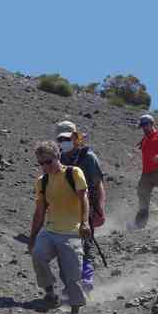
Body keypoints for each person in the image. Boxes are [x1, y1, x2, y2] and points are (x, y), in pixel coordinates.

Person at [28, 141, 90, 314]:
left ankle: (75, 308)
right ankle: (50, 294)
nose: (45, 166)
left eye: (48, 161)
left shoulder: (73, 173)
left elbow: (84, 199)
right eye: (41, 163)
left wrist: (84, 222)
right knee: (38, 255)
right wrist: (32, 238)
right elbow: (39, 212)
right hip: (50, 230)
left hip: (71, 231)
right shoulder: (42, 181)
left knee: (71, 272)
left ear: (58, 156)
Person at [55, 120, 105, 292]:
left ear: (76, 138)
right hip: (64, 209)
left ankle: (86, 278)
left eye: (67, 139)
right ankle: (71, 284)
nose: (63, 143)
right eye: (60, 140)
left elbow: (98, 184)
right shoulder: (59, 158)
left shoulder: (88, 157)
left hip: (86, 207)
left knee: (85, 243)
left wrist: (99, 210)